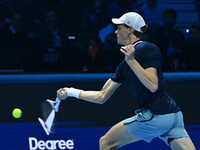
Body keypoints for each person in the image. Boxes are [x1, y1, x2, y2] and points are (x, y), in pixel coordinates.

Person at [57, 12, 195, 150]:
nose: (116, 31)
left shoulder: (146, 48)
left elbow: (153, 85)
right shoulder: (124, 65)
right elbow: (101, 96)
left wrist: (132, 61)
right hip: (172, 116)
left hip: (156, 115)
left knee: (106, 142)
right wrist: (71, 92)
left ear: (130, 29)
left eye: (119, 28)